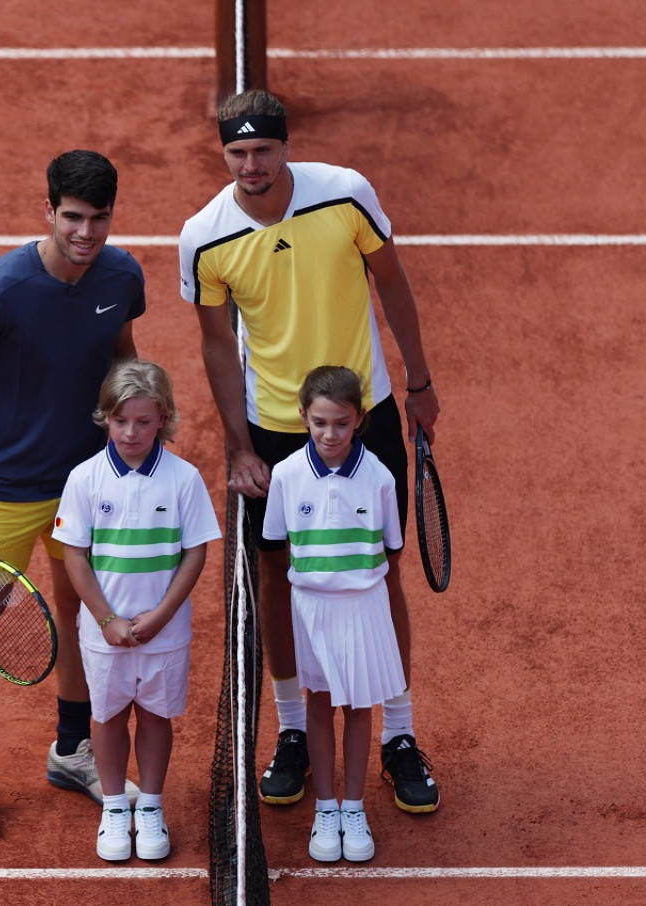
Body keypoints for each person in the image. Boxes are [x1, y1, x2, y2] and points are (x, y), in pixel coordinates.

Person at [179, 89, 442, 813]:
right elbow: (214, 342)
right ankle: (294, 728)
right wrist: (238, 446)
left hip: (369, 414)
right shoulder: (204, 235)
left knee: (381, 571)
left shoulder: (346, 194)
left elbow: (392, 282)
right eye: (238, 153)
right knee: (278, 577)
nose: (252, 165)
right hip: (274, 425)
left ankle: (398, 733)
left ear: (286, 146)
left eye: (263, 150)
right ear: (224, 154)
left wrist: (418, 382)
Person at [0, 150, 144, 838]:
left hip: (85, 484)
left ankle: (72, 747)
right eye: (72, 217)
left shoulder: (121, 274)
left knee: (82, 615)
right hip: (4, 491)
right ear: (47, 211)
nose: (85, 232)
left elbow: (122, 356)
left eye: (97, 219)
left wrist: (139, 443)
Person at [52, 360, 221, 861]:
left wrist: (163, 614)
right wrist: (106, 620)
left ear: (163, 418)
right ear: (105, 417)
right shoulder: (84, 479)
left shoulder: (184, 479)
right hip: (103, 632)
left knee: (154, 716)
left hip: (163, 632)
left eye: (144, 422)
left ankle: (149, 806)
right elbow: (74, 556)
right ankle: (113, 807)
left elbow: (196, 552)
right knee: (105, 716)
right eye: (121, 420)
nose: (131, 432)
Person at [263, 366, 406, 861]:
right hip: (312, 609)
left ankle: (353, 807)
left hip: (364, 606)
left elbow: (390, 551)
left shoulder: (381, 478)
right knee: (318, 704)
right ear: (303, 416)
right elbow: (278, 547)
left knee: (359, 708)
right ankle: (326, 807)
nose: (330, 434)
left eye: (341, 424)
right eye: (320, 422)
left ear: (360, 420)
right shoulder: (284, 476)